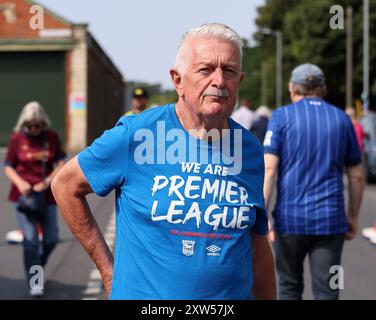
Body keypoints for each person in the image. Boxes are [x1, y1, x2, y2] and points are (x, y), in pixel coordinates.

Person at [51, 23, 276, 300]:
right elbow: (64, 185)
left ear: (239, 82)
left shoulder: (250, 149)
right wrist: (110, 275)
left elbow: (257, 247)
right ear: (177, 80)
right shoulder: (137, 135)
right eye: (205, 69)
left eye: (228, 70)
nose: (219, 81)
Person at [263, 63, 364, 300]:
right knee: (328, 290)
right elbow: (357, 175)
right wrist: (353, 216)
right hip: (330, 221)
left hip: (289, 221)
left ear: (292, 88)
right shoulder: (342, 119)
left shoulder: (280, 117)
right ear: (323, 89)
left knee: (288, 287)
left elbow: (269, 168)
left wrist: (263, 215)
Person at [3, 101, 66, 297]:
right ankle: (35, 281)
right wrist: (20, 183)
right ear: (24, 124)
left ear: (43, 123)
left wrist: (47, 181)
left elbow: (61, 161)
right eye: (30, 126)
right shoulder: (17, 139)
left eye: (38, 125)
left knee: (51, 239)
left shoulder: (51, 137)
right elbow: (8, 165)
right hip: (24, 197)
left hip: (46, 196)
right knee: (30, 239)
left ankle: (36, 263)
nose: (34, 129)